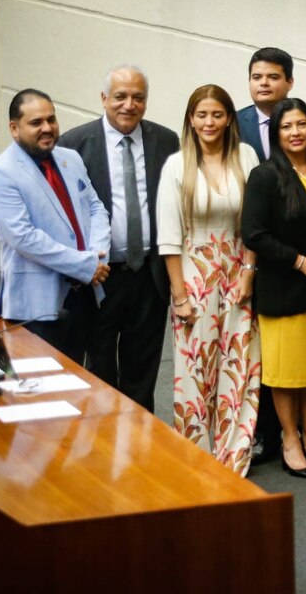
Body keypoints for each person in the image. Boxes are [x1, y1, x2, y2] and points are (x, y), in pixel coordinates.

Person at [235, 46, 306, 463]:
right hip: (285, 273)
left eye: (302, 125)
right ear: (275, 134)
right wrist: (299, 261)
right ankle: (289, 440)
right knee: (283, 368)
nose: (295, 132)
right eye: (287, 127)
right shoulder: (264, 173)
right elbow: (253, 231)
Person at [58, 66, 179, 412]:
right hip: (100, 275)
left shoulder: (166, 141)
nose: (129, 105)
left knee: (143, 366)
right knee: (99, 365)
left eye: (138, 97)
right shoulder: (75, 144)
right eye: (120, 97)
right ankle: (105, 444)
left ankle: (142, 446)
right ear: (103, 99)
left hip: (149, 274)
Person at [156, 84, 261, 477]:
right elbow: (168, 237)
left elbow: (254, 224)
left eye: (216, 114)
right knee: (196, 368)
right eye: (201, 115)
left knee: (241, 366)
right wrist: (179, 295)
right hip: (194, 275)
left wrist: (249, 272)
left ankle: (234, 456)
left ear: (229, 118)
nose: (209, 122)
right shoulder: (176, 164)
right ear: (190, 120)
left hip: (238, 272)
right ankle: (194, 453)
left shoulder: (246, 157)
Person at [0, 89, 110, 362]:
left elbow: (96, 208)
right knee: (40, 390)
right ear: (14, 128)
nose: (47, 128)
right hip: (36, 305)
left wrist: (98, 253)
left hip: (83, 296)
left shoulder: (70, 158)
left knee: (79, 387)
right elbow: (24, 238)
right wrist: (85, 265)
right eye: (36, 122)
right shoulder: (0, 173)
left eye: (51, 119)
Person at [237, 47, 306, 161]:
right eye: (257, 77)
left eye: (273, 77)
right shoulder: (234, 123)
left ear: (290, 83)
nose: (264, 83)